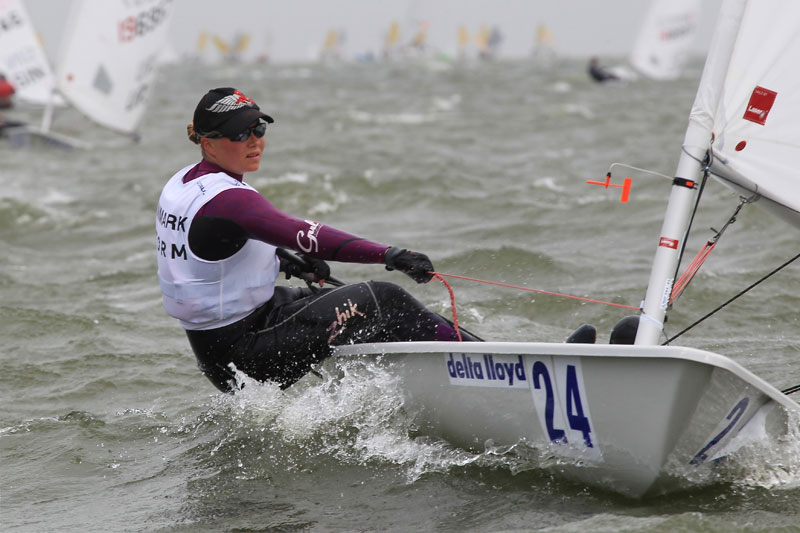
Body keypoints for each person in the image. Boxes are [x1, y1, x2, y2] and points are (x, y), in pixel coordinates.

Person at [156, 87, 479, 393]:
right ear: (209, 143)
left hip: (222, 350)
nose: (254, 141)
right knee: (383, 298)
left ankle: (428, 378)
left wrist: (283, 260)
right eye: (240, 135)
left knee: (347, 301)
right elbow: (305, 234)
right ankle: (480, 364)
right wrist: (389, 254)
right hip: (246, 357)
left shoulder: (183, 184)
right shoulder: (228, 200)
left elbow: (207, 250)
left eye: (259, 130)